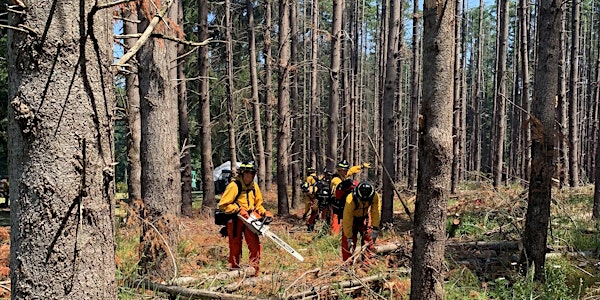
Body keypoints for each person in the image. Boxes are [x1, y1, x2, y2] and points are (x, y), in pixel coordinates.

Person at [218, 161, 273, 276]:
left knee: (255, 245)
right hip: (235, 219)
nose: (250, 176)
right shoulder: (234, 186)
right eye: (247, 173)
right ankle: (233, 271)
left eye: (252, 173)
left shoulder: (254, 186)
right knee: (235, 246)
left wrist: (263, 212)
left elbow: (258, 203)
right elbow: (223, 205)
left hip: (250, 219)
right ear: (242, 173)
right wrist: (237, 209)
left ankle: (255, 270)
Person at [342, 181, 381, 264]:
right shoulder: (350, 199)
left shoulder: (374, 196)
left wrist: (375, 227)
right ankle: (347, 264)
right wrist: (349, 236)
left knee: (369, 239)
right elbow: (347, 219)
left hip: (364, 217)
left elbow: (375, 212)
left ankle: (367, 263)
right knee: (348, 243)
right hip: (352, 219)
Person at [329, 159, 370, 234]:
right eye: (344, 170)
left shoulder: (342, 175)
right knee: (336, 221)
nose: (346, 172)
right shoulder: (336, 180)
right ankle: (333, 238)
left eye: (346, 170)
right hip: (336, 204)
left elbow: (352, 170)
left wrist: (361, 166)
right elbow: (338, 191)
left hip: (343, 203)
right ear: (339, 170)